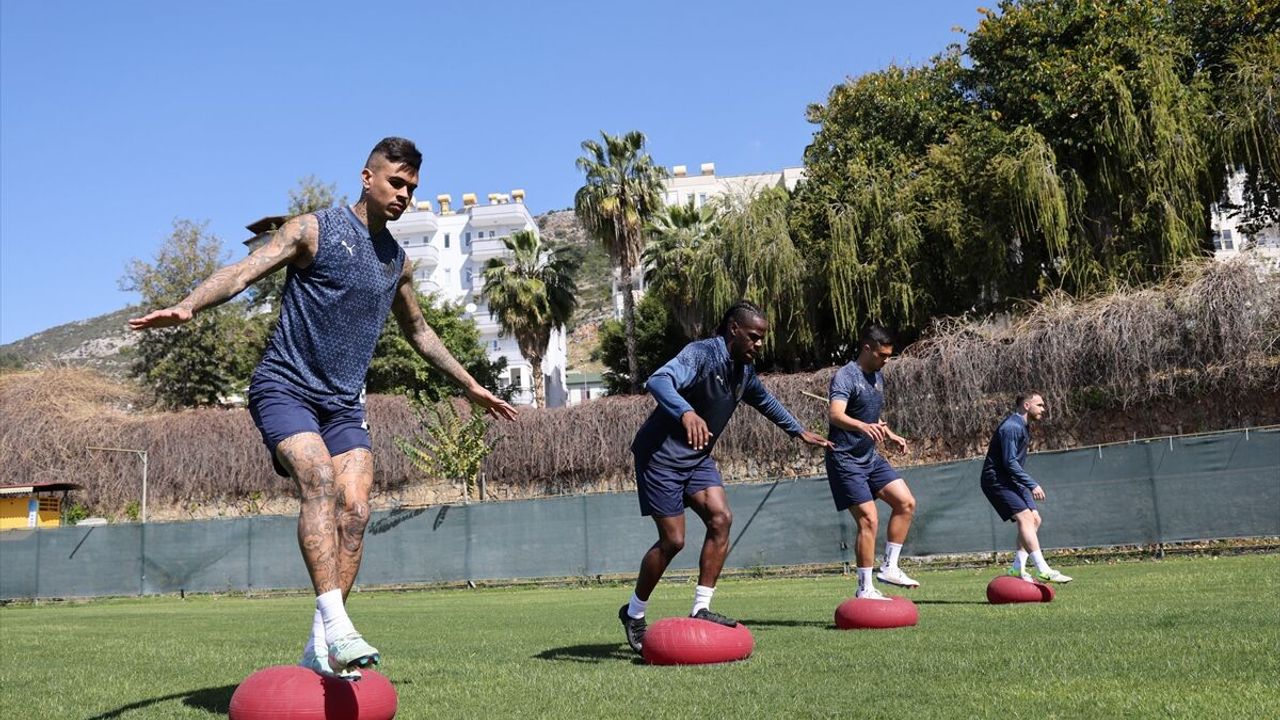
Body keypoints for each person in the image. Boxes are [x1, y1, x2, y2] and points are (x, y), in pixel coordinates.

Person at [129, 137, 517, 678]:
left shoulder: (397, 263)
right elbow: (244, 271)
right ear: (367, 177)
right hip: (285, 387)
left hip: (343, 405)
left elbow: (420, 333)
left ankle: (320, 643)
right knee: (318, 479)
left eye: (411, 188)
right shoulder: (313, 230)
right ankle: (338, 625)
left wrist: (470, 385)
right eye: (395, 182)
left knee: (356, 511)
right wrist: (189, 305)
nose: (403, 195)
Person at [618, 301, 832, 654]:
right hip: (660, 458)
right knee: (673, 541)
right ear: (734, 329)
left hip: (696, 459)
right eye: (753, 336)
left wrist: (798, 430)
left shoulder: (743, 371)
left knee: (721, 518)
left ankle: (701, 608)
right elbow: (658, 380)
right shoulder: (701, 354)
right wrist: (686, 413)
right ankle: (634, 613)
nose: (758, 344)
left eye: (761, 338)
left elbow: (765, 400)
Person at [825, 325, 918, 601]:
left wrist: (889, 433)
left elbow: (867, 414)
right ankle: (865, 588)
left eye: (889, 355)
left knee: (906, 502)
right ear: (867, 348)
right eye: (882, 355)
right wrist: (863, 427)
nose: (886, 360)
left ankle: (890, 567)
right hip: (845, 459)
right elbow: (835, 414)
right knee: (869, 519)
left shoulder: (877, 375)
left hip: (870, 458)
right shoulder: (845, 376)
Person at [980, 392, 1072, 583]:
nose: (1043, 409)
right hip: (996, 480)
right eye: (1040, 405)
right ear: (1027, 405)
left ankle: (1017, 568)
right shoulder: (1011, 427)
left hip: (1012, 480)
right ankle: (1043, 569)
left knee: (1035, 519)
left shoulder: (1023, 426)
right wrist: (1032, 484)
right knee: (1025, 518)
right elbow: (1009, 462)